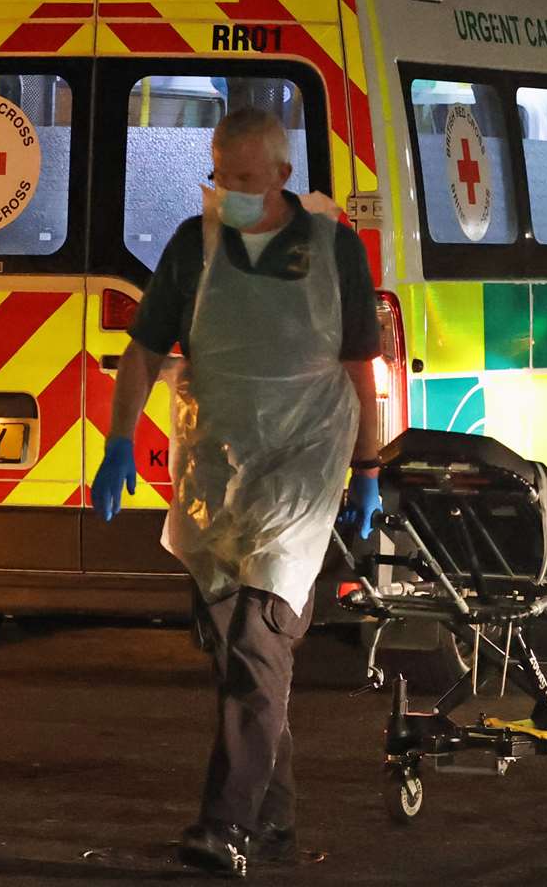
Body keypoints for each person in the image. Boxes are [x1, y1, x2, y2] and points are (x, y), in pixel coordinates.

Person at [90, 107, 383, 877]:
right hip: (214, 472)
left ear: (284, 175)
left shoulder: (331, 249)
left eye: (247, 180)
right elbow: (145, 350)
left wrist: (368, 466)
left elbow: (360, 365)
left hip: (303, 462)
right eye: (221, 178)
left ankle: (224, 826)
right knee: (237, 659)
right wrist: (119, 441)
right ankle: (273, 816)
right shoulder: (195, 246)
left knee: (259, 639)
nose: (231, 193)